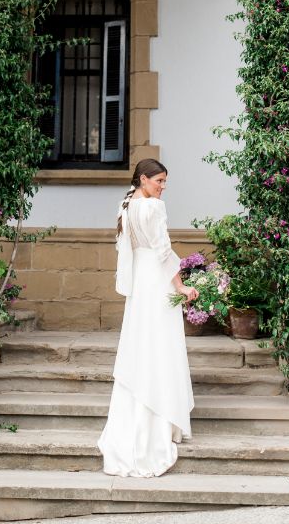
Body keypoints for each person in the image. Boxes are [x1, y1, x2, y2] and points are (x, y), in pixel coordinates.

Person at [97, 158, 199, 477]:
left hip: (141, 283)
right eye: (159, 181)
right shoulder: (153, 208)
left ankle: (150, 416)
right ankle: (159, 424)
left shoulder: (127, 205)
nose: (163, 187)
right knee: (160, 345)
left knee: (143, 344)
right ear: (143, 179)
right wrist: (182, 286)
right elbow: (163, 251)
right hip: (154, 280)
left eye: (165, 182)